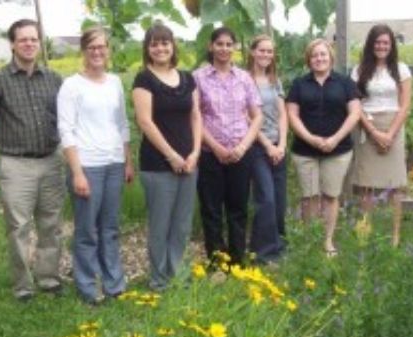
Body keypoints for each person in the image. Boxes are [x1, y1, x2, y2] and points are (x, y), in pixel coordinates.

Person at [0, 19, 65, 301]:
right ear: (13, 44)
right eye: (23, 39)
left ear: (40, 43)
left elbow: (63, 120)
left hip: (51, 160)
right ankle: (23, 286)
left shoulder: (53, 79)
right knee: (18, 228)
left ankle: (49, 278)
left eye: (34, 39)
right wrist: (8, 148)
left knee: (51, 223)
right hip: (16, 164)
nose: (29, 44)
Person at [57, 26, 134, 304]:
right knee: (87, 230)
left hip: (114, 162)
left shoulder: (114, 82)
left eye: (102, 47)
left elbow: (122, 123)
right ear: (84, 51)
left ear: (108, 50)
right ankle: (89, 286)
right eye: (92, 48)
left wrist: (127, 159)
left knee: (110, 228)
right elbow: (66, 130)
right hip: (87, 165)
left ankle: (114, 283)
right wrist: (77, 172)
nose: (98, 52)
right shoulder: (72, 85)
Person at [131, 23, 202, 290]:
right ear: (148, 49)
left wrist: (195, 152)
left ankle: (176, 272)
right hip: (158, 164)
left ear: (173, 46)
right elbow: (145, 122)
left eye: (165, 43)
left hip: (189, 161)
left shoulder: (187, 78)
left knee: (182, 224)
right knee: (160, 223)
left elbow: (196, 116)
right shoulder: (144, 80)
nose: (160, 48)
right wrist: (172, 156)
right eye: (154, 43)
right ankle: (159, 279)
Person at [193, 26, 263, 265]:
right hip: (210, 154)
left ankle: (238, 260)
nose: (224, 48)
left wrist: (243, 147)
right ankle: (217, 263)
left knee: (238, 209)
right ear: (211, 46)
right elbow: (195, 117)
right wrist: (215, 147)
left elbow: (257, 117)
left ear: (234, 48)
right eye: (219, 44)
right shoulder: (198, 78)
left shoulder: (244, 78)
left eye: (228, 44)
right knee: (212, 211)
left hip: (240, 154)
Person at [286, 39, 361, 257]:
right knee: (309, 196)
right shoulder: (300, 84)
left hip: (337, 150)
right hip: (305, 150)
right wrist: (310, 138)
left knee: (330, 195)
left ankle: (327, 241)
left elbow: (355, 113)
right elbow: (292, 115)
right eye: (314, 55)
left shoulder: (345, 83)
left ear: (330, 57)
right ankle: (310, 239)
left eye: (323, 55)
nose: (319, 59)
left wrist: (335, 139)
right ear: (308, 60)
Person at [350, 24, 412, 247]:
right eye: (377, 42)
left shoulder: (401, 70)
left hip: (394, 125)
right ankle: (365, 234)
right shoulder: (359, 70)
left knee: (395, 185)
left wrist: (390, 134)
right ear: (370, 45)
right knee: (367, 185)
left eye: (385, 43)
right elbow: (355, 104)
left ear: (392, 45)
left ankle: (394, 236)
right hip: (368, 126)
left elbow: (405, 105)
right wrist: (374, 132)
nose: (381, 46)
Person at [245, 35, 288, 264]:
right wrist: (268, 145)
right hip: (257, 147)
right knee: (266, 198)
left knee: (279, 200)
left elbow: (283, 114)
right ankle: (263, 253)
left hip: (278, 147)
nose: (265, 55)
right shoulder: (244, 80)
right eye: (261, 50)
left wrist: (281, 144)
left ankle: (278, 245)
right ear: (252, 52)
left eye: (269, 51)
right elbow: (246, 117)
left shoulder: (274, 80)